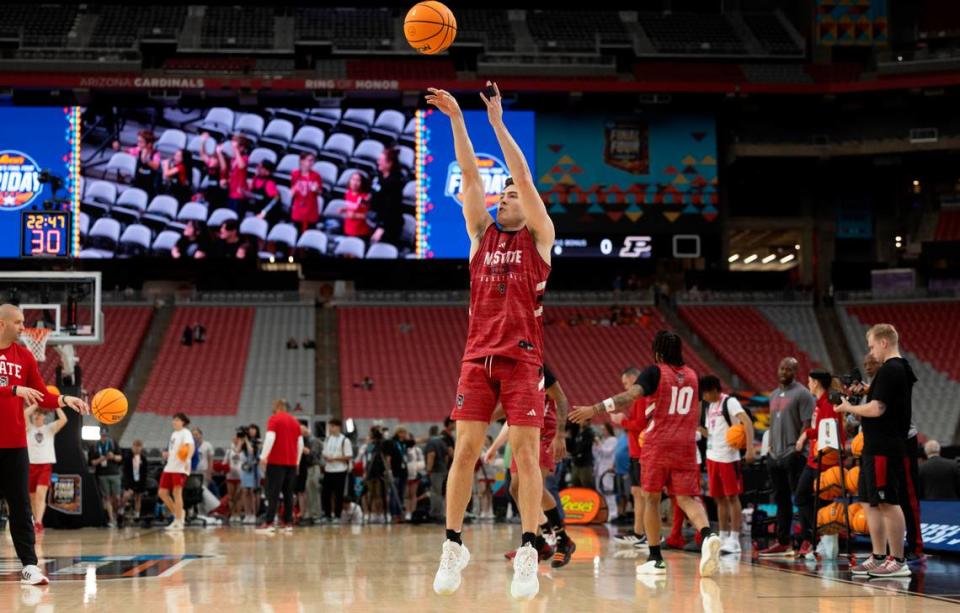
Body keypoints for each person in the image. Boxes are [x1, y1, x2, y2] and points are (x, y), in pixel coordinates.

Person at [429, 81, 556, 601]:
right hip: (477, 357)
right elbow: (470, 184)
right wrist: (459, 121)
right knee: (465, 453)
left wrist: (498, 124)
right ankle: (452, 543)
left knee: (525, 459)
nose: (504, 196)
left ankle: (529, 548)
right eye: (500, 193)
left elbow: (522, 175)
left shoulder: (540, 236)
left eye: (510, 195)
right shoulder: (481, 233)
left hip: (524, 360)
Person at [570, 330, 722, 578]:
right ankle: (708, 534)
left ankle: (655, 558)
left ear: (658, 352)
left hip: (658, 443)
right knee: (686, 498)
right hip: (685, 445)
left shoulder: (654, 371)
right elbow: (696, 411)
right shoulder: (694, 376)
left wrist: (595, 409)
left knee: (650, 499)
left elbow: (629, 396)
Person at [0, 304, 89, 585]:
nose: (23, 327)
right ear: (2, 324)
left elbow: (40, 395)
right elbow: (17, 390)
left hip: (15, 444)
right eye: (18, 322)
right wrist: (12, 389)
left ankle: (29, 566)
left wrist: (65, 400)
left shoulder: (25, 356)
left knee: (21, 507)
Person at [838, 323, 917, 578]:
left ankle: (898, 560)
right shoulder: (896, 369)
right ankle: (879, 555)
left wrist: (847, 408)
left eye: (872, 346)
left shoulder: (892, 368)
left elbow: (877, 409)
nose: (871, 352)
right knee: (869, 501)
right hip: (874, 446)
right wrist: (868, 391)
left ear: (884, 343)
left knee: (887, 501)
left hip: (885, 445)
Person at [484, 365, 576, 568]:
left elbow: (561, 399)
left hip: (544, 432)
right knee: (515, 488)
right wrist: (493, 444)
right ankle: (539, 542)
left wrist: (560, 435)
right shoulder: (507, 372)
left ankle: (563, 539)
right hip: (524, 433)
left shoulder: (536, 366)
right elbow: (510, 414)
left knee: (535, 487)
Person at [758, 357, 815, 558]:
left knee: (801, 498)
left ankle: (808, 539)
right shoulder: (773, 394)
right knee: (781, 500)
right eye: (782, 368)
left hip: (794, 453)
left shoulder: (803, 394)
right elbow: (774, 423)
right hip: (775, 454)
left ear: (795, 371)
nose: (784, 371)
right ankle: (783, 541)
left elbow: (807, 423)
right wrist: (771, 446)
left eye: (789, 369)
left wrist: (798, 446)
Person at [792, 369, 844, 558]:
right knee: (802, 497)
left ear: (816, 382)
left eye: (809, 381)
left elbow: (828, 432)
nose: (808, 384)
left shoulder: (829, 403)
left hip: (825, 461)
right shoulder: (819, 403)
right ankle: (813, 538)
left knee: (820, 502)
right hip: (814, 459)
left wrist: (807, 434)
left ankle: (820, 540)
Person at [700, 375, 755, 555]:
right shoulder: (709, 407)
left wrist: (750, 448)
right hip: (712, 456)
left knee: (732, 497)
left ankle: (735, 539)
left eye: (705, 393)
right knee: (719, 499)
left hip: (728, 457)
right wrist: (696, 428)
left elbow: (746, 421)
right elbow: (712, 433)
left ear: (714, 390)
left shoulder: (729, 402)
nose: (704, 396)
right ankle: (722, 536)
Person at [613, 367, 649, 548]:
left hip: (642, 453)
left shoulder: (641, 399)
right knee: (637, 493)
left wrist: (623, 421)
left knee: (644, 494)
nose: (626, 388)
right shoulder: (636, 401)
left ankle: (646, 534)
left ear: (634, 379)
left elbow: (642, 425)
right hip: (635, 452)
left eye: (626, 383)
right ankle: (638, 532)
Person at [257, 400, 303, 533]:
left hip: (276, 462)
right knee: (289, 494)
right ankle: (288, 523)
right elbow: (300, 443)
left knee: (273, 493)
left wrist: (263, 456)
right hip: (291, 463)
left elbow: (270, 438)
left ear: (277, 407)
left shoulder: (274, 419)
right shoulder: (295, 421)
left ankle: (269, 522)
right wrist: (297, 462)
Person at [24, 401, 68, 532]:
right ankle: (34, 520)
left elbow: (64, 419)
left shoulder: (49, 428)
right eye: (36, 414)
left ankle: (38, 522)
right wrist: (36, 404)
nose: (37, 416)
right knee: (32, 497)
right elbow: (24, 413)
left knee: (40, 493)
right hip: (31, 465)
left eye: (40, 414)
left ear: (44, 416)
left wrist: (56, 405)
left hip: (45, 465)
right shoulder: (28, 428)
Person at [158, 412, 195, 531]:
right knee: (162, 493)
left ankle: (178, 521)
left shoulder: (186, 433)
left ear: (183, 422)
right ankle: (180, 513)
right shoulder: (173, 434)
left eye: (177, 420)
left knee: (176, 493)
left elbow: (191, 447)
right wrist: (167, 454)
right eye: (173, 420)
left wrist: (188, 459)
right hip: (169, 466)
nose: (174, 422)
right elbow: (174, 450)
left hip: (180, 467)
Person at [369, 148, 406, 247]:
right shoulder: (379, 176)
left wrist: (381, 228)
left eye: (381, 160)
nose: (378, 162)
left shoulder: (395, 183)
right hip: (376, 219)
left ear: (389, 164)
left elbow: (391, 208)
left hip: (390, 226)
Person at [89, 427, 124, 527]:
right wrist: (101, 459)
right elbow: (92, 462)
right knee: (106, 497)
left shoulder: (113, 444)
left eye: (105, 436)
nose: (103, 438)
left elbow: (120, 458)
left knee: (117, 497)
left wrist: (113, 456)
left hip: (114, 473)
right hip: (102, 475)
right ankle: (111, 519)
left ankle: (118, 515)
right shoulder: (95, 446)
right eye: (102, 436)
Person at [321, 418, 352, 523]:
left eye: (332, 426)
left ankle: (337, 515)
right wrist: (326, 457)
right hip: (328, 470)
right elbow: (324, 452)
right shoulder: (327, 439)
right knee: (326, 494)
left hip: (340, 470)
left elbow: (348, 456)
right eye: (329, 426)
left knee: (338, 494)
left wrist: (334, 459)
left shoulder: (345, 440)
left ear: (338, 427)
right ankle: (327, 514)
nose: (330, 428)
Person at [115, 130, 160, 196]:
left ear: (149, 144)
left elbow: (156, 166)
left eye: (141, 142)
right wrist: (119, 148)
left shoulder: (155, 154)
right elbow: (127, 151)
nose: (138, 144)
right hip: (136, 185)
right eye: (138, 141)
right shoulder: (138, 150)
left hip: (148, 190)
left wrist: (146, 160)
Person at [361, 427, 389, 523]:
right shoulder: (369, 446)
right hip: (370, 473)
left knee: (379, 495)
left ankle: (380, 513)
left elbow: (385, 457)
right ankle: (372, 513)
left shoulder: (382, 445)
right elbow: (366, 458)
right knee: (370, 494)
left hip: (380, 473)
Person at [290, 152, 322, 234]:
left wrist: (316, 190)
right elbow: (292, 190)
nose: (311, 163)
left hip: (311, 209)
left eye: (313, 161)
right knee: (297, 234)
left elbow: (320, 192)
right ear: (302, 161)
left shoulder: (316, 175)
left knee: (310, 235)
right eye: (309, 160)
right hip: (298, 209)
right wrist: (293, 191)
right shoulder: (295, 174)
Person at [219, 133, 250, 214]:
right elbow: (226, 169)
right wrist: (219, 154)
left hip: (239, 195)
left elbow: (241, 166)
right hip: (231, 192)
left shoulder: (245, 158)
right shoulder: (233, 159)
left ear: (242, 148)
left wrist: (236, 149)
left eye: (237, 146)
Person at [246, 160, 282, 225]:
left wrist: (263, 213)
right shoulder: (256, 178)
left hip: (268, 214)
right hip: (257, 210)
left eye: (261, 167)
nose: (257, 169)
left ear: (267, 172)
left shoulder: (270, 184)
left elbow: (276, 199)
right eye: (258, 166)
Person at [425, 425, 449, 523]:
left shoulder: (431, 442)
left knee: (436, 492)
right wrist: (445, 466)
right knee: (442, 493)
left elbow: (431, 455)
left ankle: (436, 513)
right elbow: (447, 455)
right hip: (443, 469)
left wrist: (429, 469)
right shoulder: (442, 442)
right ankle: (442, 512)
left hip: (436, 470)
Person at [121, 439, 149, 519]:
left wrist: (142, 483)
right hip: (130, 481)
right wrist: (128, 484)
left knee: (138, 498)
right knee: (126, 496)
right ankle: (122, 509)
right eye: (135, 447)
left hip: (139, 481)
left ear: (141, 448)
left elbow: (144, 473)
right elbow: (126, 472)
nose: (137, 449)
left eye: (138, 447)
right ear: (132, 447)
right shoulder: (128, 457)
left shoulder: (143, 459)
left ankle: (137, 514)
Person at [198, 132, 227, 209]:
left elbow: (223, 166)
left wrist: (219, 153)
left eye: (214, 159)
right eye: (212, 158)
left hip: (218, 196)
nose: (211, 161)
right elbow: (202, 154)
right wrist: (203, 142)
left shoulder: (221, 168)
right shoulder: (210, 164)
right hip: (209, 193)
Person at [343, 171, 373, 239]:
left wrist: (355, 215)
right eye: (353, 179)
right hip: (348, 229)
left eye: (358, 180)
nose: (355, 183)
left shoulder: (365, 198)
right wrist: (344, 209)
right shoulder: (348, 193)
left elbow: (368, 215)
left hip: (360, 232)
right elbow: (351, 207)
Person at [405, 431, 426, 520]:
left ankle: (413, 512)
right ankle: (407, 512)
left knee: (413, 494)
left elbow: (422, 461)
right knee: (406, 494)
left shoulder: (417, 450)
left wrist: (416, 467)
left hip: (414, 474)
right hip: (405, 475)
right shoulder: (403, 449)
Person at [569, 423, 595, 487]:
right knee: (574, 482)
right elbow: (574, 445)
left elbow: (584, 446)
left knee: (586, 483)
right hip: (576, 463)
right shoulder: (577, 432)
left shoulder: (589, 432)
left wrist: (573, 453)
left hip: (585, 464)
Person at [192, 428, 215, 496]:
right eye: (193, 435)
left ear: (201, 435)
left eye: (196, 434)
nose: (195, 436)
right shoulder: (190, 446)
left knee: (204, 491)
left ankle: (203, 506)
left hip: (204, 471)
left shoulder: (207, 445)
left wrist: (209, 473)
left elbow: (210, 460)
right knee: (194, 490)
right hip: (193, 471)